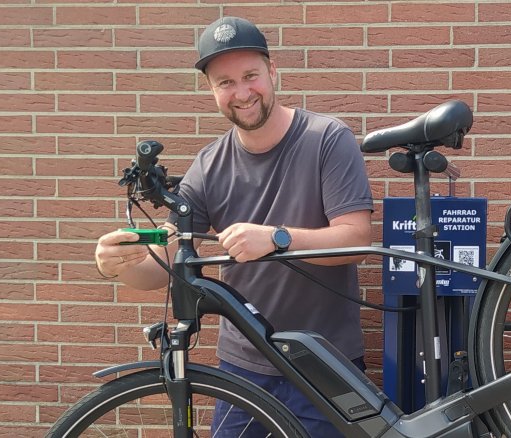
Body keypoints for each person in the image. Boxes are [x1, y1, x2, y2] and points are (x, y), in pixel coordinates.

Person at [93, 16, 373, 438]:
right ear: (211, 90)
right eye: (225, 82)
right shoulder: (207, 166)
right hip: (243, 366)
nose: (242, 93)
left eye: (250, 76)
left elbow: (356, 240)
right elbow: (163, 264)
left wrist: (276, 238)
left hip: (324, 361)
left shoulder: (327, 138)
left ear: (272, 71)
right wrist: (117, 263)